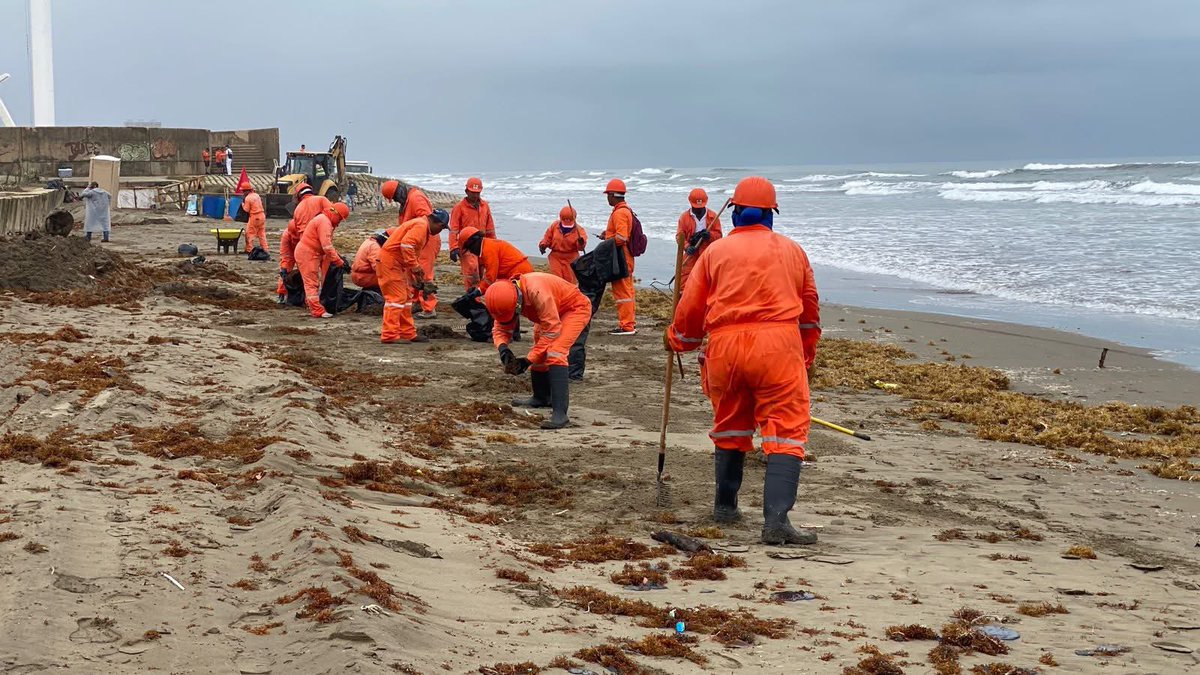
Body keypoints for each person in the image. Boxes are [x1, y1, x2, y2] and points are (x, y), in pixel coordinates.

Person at [666, 176, 822, 546]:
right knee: (785, 431)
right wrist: (806, 354)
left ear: (734, 212)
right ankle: (776, 522)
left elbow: (690, 309)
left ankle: (725, 507)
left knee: (731, 424)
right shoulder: (793, 251)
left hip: (725, 348)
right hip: (778, 347)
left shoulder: (714, 254)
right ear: (771, 214)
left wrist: (678, 340)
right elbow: (810, 312)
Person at [484, 273, 592, 429]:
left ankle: (560, 414)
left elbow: (552, 331)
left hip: (574, 309)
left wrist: (528, 360)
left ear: (518, 304)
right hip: (548, 315)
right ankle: (541, 397)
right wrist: (503, 349)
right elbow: (501, 327)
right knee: (539, 347)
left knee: (556, 351)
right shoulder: (503, 295)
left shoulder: (538, 292)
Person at [377, 209, 449, 343]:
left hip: (396, 263)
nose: (440, 231)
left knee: (406, 298)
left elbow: (407, 251)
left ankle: (407, 332)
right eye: (442, 228)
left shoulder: (421, 225)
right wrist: (415, 267)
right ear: (438, 224)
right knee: (396, 298)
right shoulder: (421, 226)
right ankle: (389, 335)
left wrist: (416, 279)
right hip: (391, 263)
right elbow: (407, 246)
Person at [381, 180, 439, 317]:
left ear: (399, 192)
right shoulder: (407, 202)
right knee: (412, 274)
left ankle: (429, 308)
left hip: (425, 242)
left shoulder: (415, 198)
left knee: (423, 272)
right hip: (415, 243)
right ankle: (417, 302)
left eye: (395, 197)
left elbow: (427, 221)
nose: (396, 200)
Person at [295, 202, 351, 318]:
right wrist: (339, 261)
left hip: (310, 253)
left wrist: (337, 258)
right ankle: (317, 311)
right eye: (339, 219)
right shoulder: (324, 222)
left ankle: (311, 305)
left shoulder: (323, 219)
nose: (339, 223)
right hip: (307, 253)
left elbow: (326, 246)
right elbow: (327, 246)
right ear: (335, 214)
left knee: (311, 282)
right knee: (311, 283)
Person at [277, 184, 333, 301]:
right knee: (322, 269)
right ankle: (322, 297)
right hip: (315, 242)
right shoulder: (322, 200)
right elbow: (332, 217)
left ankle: (282, 294)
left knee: (293, 268)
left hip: (301, 243)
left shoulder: (298, 209)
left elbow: (297, 229)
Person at [601, 178, 637, 335]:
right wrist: (608, 235)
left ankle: (627, 325)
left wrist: (607, 241)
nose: (607, 198)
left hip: (621, 258)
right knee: (628, 291)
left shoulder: (620, 213)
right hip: (625, 257)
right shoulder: (625, 211)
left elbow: (622, 238)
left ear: (612, 195)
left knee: (623, 293)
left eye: (608, 195)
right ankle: (629, 323)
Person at [449, 177, 496, 290]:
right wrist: (453, 247)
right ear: (466, 191)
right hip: (467, 247)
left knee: (481, 272)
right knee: (472, 273)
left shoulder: (485, 206)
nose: (475, 195)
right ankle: (472, 298)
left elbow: (490, 228)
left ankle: (478, 298)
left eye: (477, 193)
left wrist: (494, 243)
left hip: (483, 245)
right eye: (472, 193)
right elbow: (454, 229)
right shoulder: (459, 208)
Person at [676, 188, 723, 295]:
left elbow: (719, 236)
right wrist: (687, 247)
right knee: (685, 285)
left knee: (708, 283)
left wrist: (710, 236)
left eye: (701, 207)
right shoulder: (684, 218)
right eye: (696, 207)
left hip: (708, 255)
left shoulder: (713, 217)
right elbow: (679, 236)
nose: (699, 210)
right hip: (690, 255)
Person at [460, 227, 533, 292]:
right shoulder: (488, 245)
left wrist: (478, 291)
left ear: (474, 242)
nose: (471, 251)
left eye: (470, 248)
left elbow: (491, 277)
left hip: (519, 273)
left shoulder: (488, 250)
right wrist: (479, 288)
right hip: (518, 272)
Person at [539, 206, 587, 284]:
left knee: (569, 281)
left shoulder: (579, 230)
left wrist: (581, 242)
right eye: (565, 219)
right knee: (556, 279)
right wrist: (543, 245)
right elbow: (547, 238)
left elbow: (580, 248)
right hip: (555, 257)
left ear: (574, 219)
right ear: (561, 218)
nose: (567, 221)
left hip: (571, 259)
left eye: (569, 219)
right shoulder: (554, 226)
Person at [239, 182, 268, 254]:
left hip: (254, 217)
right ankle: (265, 249)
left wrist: (242, 204)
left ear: (246, 191)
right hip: (262, 216)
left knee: (250, 234)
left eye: (243, 191)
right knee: (261, 234)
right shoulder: (256, 195)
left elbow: (246, 209)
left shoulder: (248, 198)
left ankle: (249, 250)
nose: (243, 193)